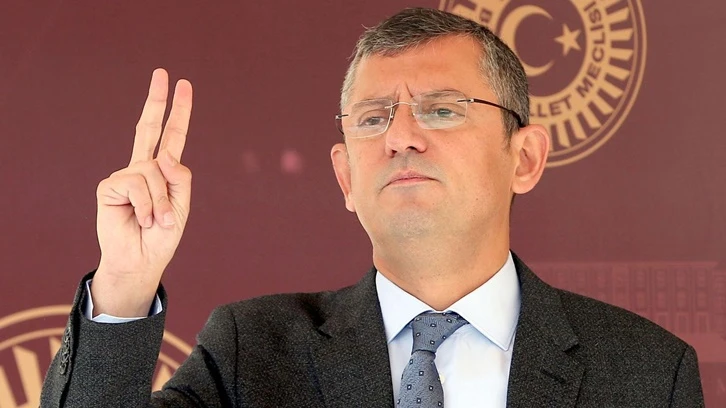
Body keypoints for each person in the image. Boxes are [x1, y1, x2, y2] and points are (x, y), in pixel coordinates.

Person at [40, 7, 704, 408]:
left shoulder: (647, 372)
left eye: (441, 110)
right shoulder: (254, 351)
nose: (401, 137)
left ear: (524, 158)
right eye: (373, 117)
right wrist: (124, 285)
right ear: (345, 177)